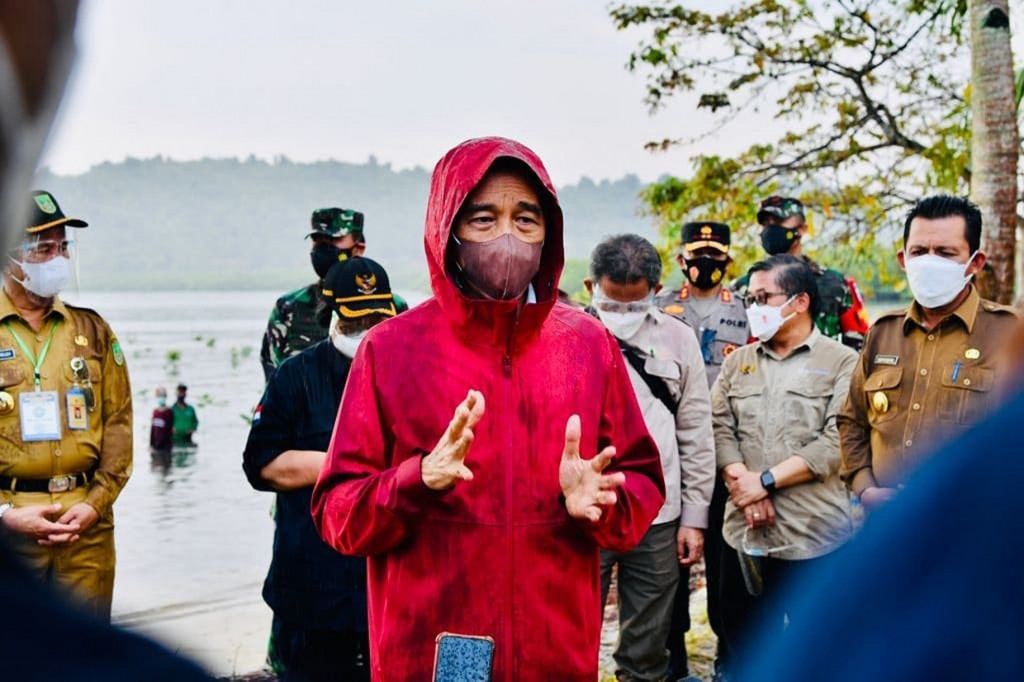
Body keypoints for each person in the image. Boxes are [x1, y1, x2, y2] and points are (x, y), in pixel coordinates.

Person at [311, 137, 665, 682]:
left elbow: (641, 482)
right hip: (433, 650)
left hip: (556, 649)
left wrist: (600, 501)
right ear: (446, 231)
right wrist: (415, 480)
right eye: (483, 219)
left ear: (549, 233)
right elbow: (338, 513)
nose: (508, 236)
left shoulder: (587, 345)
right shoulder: (390, 349)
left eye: (526, 219)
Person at [243, 257, 397, 681]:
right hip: (311, 579)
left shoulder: (405, 374)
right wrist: (349, 462)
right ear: (331, 316)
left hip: (385, 584)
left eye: (377, 317)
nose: (367, 328)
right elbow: (261, 465)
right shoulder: (296, 377)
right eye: (356, 319)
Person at [711, 254, 857, 677]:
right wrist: (743, 485)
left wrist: (767, 483)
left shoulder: (841, 361)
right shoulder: (740, 362)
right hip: (744, 531)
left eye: (762, 297)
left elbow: (836, 439)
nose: (753, 307)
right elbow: (720, 426)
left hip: (813, 534)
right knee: (742, 644)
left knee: (821, 650)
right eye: (749, 298)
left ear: (798, 302)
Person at [586, 234, 715, 682]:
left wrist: (694, 519)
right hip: (585, 511)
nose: (621, 317)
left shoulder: (679, 340)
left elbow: (696, 432)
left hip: (658, 515)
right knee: (573, 637)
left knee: (647, 648)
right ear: (590, 288)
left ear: (655, 292)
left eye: (633, 306)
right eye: (611, 304)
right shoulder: (564, 335)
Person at [0, 190, 133, 622]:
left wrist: (95, 504)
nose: (57, 258)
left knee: (86, 658)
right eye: (43, 248)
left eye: (62, 247)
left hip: (85, 527)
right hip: (10, 525)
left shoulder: (91, 330)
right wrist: (5, 516)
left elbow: (119, 424)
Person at [838, 195, 1018, 511]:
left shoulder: (1010, 333)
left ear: (974, 263)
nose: (930, 261)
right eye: (919, 252)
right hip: (885, 523)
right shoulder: (883, 332)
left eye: (946, 253)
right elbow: (852, 421)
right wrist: (865, 489)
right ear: (903, 259)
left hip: (972, 526)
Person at [656, 220, 749, 680]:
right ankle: (672, 661)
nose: (705, 264)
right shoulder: (659, 308)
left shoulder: (748, 312)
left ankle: (730, 661)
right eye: (698, 255)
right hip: (671, 457)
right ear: (681, 260)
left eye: (714, 256)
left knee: (726, 567)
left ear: (729, 261)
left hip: (726, 457)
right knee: (670, 564)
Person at [259, 207, 407, 381]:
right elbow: (273, 375)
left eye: (333, 239)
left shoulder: (390, 307)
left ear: (358, 248)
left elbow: (405, 372)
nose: (323, 249)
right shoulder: (289, 307)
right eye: (318, 241)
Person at [734, 196, 869, 350]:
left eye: (777, 222)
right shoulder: (743, 288)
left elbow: (860, 344)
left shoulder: (835, 284)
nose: (770, 230)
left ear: (802, 229)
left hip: (825, 369)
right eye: (765, 224)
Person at [150, 386, 173, 453]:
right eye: (159, 395)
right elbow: (152, 430)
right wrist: (151, 444)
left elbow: (170, 429)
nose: (161, 397)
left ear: (165, 397)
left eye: (163, 395)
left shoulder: (169, 412)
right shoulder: (155, 412)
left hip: (166, 446)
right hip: (155, 445)